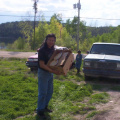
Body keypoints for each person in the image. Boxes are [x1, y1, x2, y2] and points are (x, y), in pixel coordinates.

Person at [37, 34, 60, 118]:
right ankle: (40, 111)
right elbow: (42, 65)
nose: (51, 42)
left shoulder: (53, 48)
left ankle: (44, 107)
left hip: (50, 72)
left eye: (53, 40)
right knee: (43, 92)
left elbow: (60, 49)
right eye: (50, 40)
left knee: (49, 92)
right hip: (43, 73)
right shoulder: (42, 50)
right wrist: (53, 71)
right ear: (46, 40)